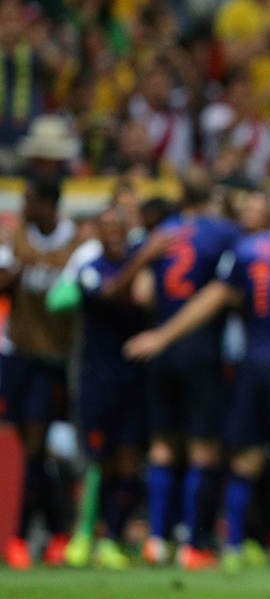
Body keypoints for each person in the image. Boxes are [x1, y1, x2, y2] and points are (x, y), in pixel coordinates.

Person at [124, 182, 270, 572]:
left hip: (251, 362)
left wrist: (163, 334)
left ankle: (229, 546)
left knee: (246, 457)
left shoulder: (246, 250)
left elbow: (214, 297)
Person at [135, 165, 241, 569]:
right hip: (201, 347)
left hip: (158, 345)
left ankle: (156, 539)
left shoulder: (162, 232)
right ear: (211, 195)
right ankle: (192, 544)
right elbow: (233, 289)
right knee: (202, 449)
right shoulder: (225, 233)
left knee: (162, 445)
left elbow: (145, 294)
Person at [47, 207, 148, 569]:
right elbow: (109, 294)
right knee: (97, 461)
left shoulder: (141, 269)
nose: (113, 234)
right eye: (106, 228)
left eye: (119, 226)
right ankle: (85, 531)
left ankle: (113, 538)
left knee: (128, 459)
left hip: (135, 377)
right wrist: (143, 260)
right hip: (96, 378)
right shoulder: (90, 270)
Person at [0, 174, 83, 569]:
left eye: (30, 199)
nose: (23, 206)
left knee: (39, 444)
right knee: (33, 446)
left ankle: (19, 537)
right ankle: (57, 531)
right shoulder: (14, 239)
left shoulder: (77, 244)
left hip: (54, 360)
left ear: (49, 205)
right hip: (17, 355)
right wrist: (13, 274)